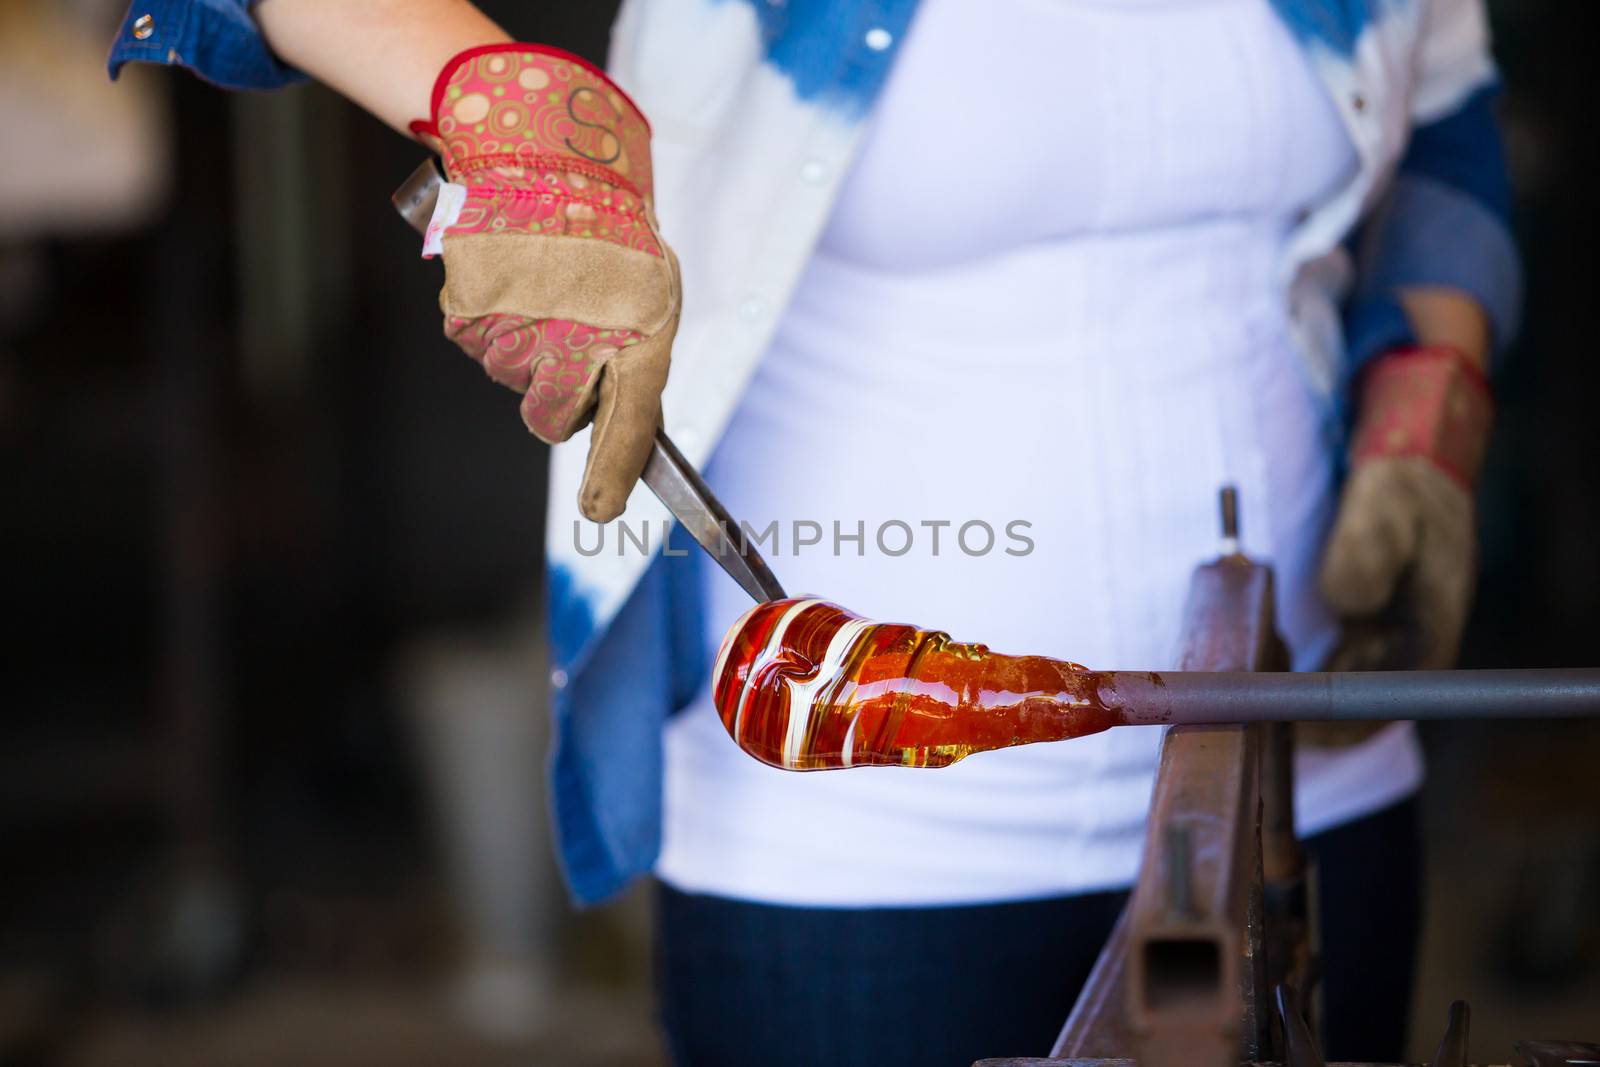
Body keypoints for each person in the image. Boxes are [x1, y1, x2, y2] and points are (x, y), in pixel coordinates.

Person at [109, 0, 1518, 1063]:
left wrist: (1431, 377)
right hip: (853, 841)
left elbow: (1447, 97)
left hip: (1311, 767)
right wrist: (499, 103)